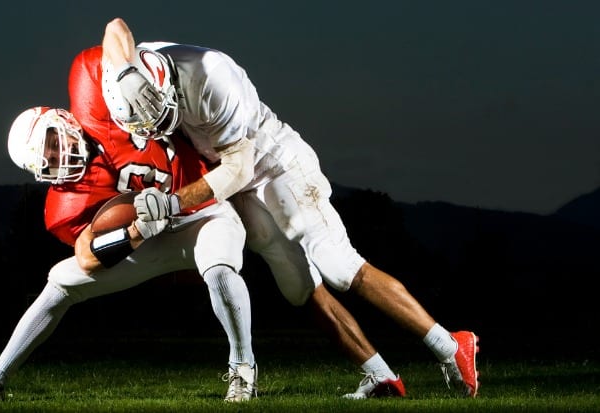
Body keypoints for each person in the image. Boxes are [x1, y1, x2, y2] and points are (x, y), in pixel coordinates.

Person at [97, 17, 480, 399]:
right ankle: (381, 376)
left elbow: (238, 167)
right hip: (234, 174)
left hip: (271, 161)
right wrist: (127, 71)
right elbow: (115, 27)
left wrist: (173, 202)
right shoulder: (131, 72)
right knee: (300, 288)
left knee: (340, 264)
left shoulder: (213, 78)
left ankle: (451, 345)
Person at [0, 105, 258, 403]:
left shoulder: (110, 114)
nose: (55, 156)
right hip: (148, 238)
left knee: (219, 268)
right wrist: (137, 232)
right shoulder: (66, 202)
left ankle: (243, 368)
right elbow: (88, 259)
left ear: (63, 120)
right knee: (61, 280)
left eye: (50, 143)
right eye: (45, 160)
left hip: (204, 215)